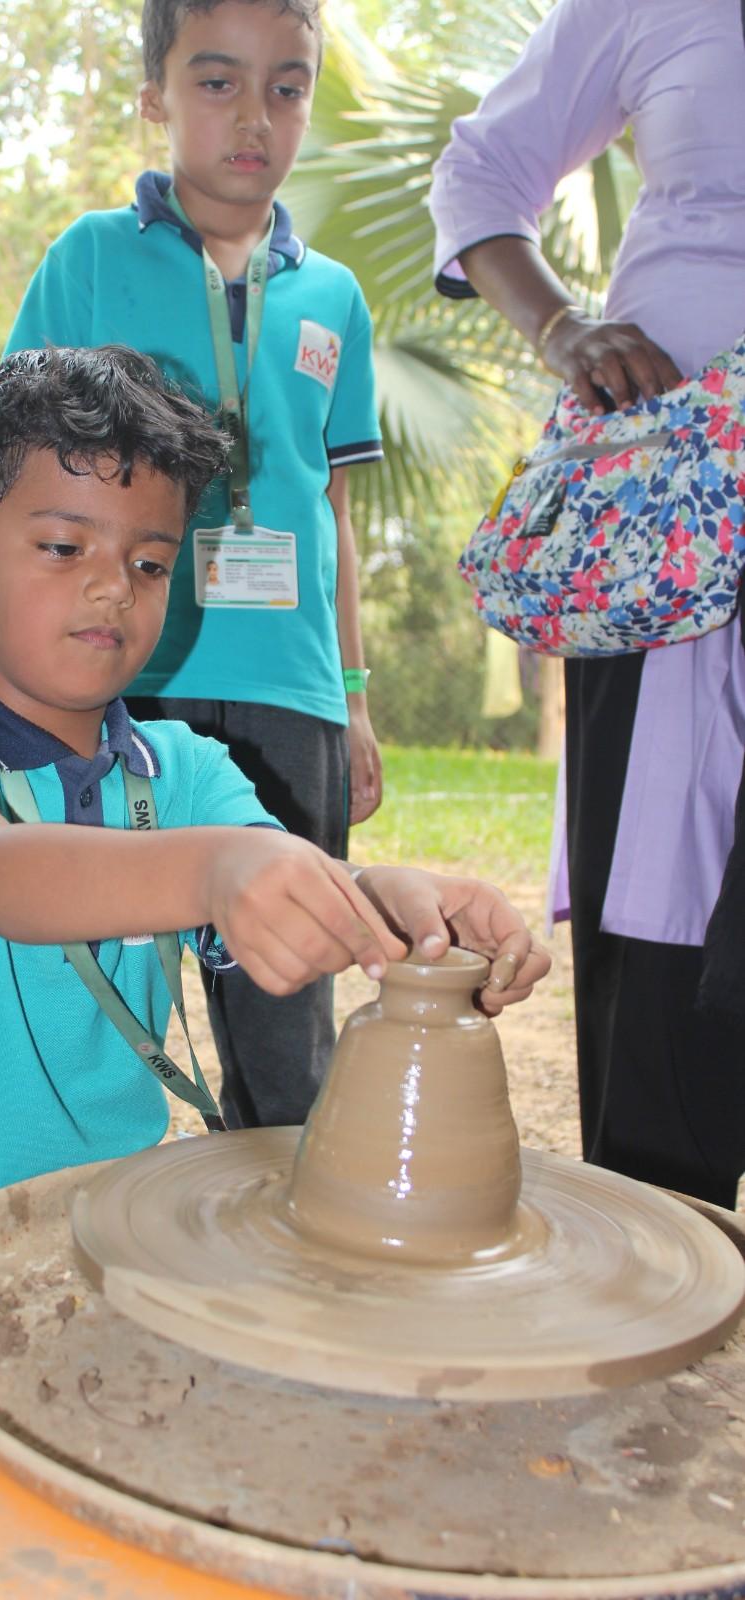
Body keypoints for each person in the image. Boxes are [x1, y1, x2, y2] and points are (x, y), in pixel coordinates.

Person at [0, 346, 549, 1295]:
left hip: (111, 1221)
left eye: (149, 562)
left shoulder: (186, 772)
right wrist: (212, 872)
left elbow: (272, 877)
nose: (114, 585)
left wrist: (399, 909)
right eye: (65, 548)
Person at [4, 0, 386, 1131]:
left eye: (287, 84)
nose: (254, 116)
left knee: (284, 1009)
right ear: (154, 96)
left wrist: (353, 697)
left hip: (291, 689)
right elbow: (22, 467)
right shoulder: (86, 259)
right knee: (94, 985)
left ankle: (278, 1256)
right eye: (216, 82)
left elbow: (333, 509)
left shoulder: (333, 297)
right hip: (124, 671)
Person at [429, 0, 745, 1207]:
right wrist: (561, 327)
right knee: (657, 962)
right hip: (657, 516)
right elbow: (481, 169)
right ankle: (658, 1303)